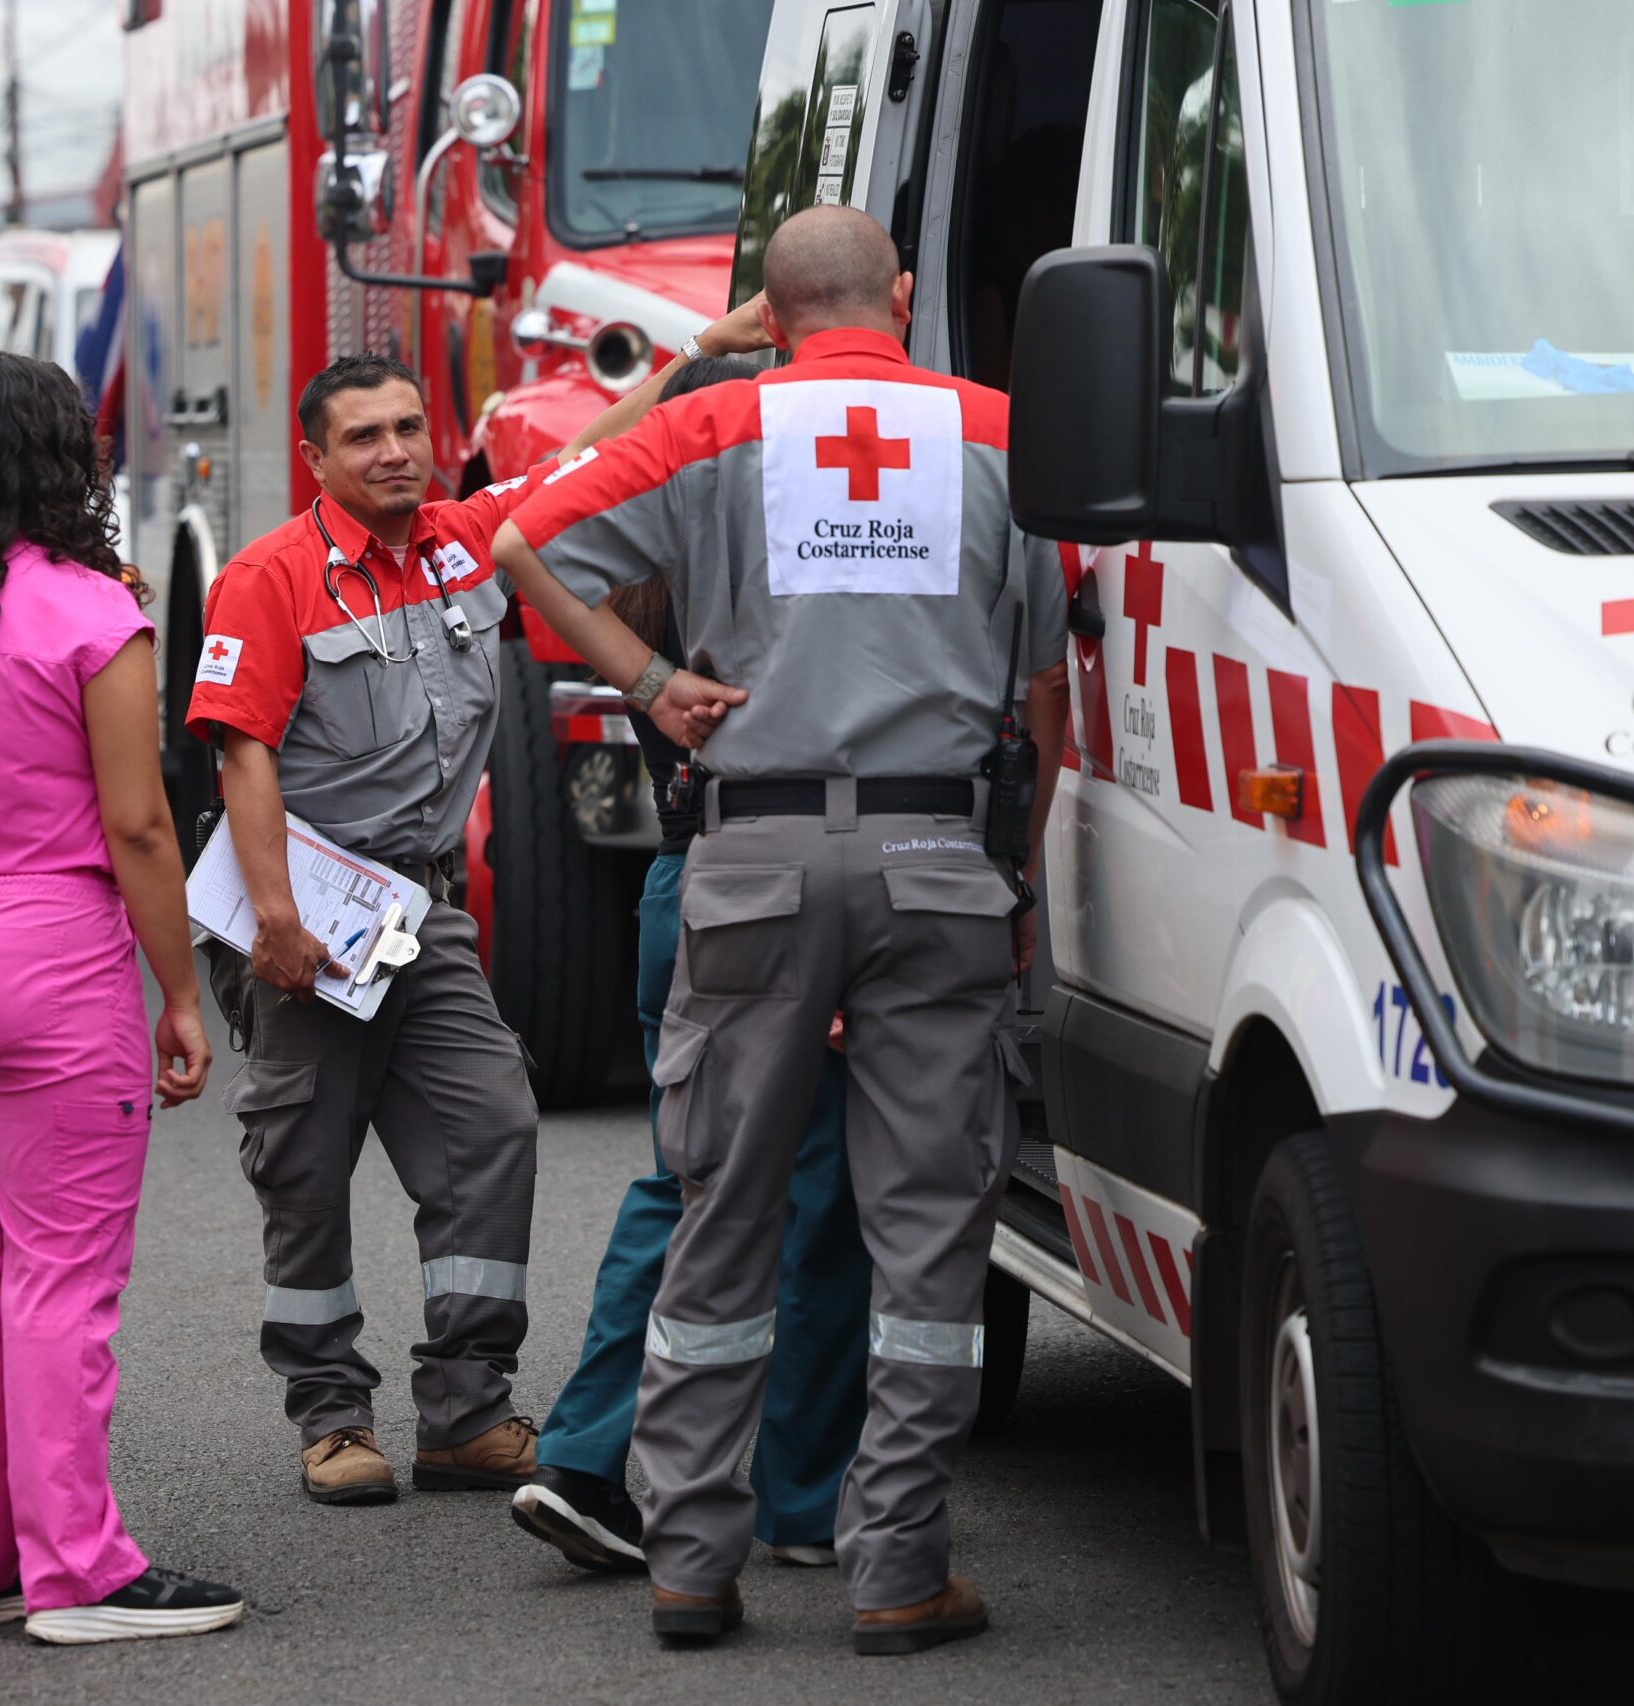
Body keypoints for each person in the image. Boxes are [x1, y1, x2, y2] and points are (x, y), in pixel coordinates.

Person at [494, 204, 1071, 1653]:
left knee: (722, 1205)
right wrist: (1017, 874)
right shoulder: (1002, 432)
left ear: (774, 308)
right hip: (938, 855)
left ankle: (691, 1562)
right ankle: (898, 1569)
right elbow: (1046, 690)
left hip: (750, 858)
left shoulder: (711, 427)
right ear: (905, 294)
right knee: (926, 1228)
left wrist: (647, 681)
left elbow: (517, 535)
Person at [0, 350, 244, 1645]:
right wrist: (180, 993)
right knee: (62, 1274)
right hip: (48, 960)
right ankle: (78, 1568)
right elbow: (138, 824)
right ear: (65, 459)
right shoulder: (91, 608)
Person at [507, 351, 869, 1579]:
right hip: (781, 883)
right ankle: (802, 1496)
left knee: (685, 1177)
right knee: (819, 1191)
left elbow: (546, 500)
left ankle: (585, 1455)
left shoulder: (640, 569)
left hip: (682, 885)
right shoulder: (781, 562)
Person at [186, 354, 552, 1505]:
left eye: (406, 426)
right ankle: (332, 1415)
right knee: (304, 1164)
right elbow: (242, 752)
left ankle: (467, 1408)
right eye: (362, 436)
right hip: (311, 919)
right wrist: (277, 922)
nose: (392, 451)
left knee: (491, 1121)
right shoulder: (269, 576)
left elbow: (590, 461)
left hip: (420, 912)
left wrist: (700, 357)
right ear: (315, 458)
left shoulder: (463, 542)